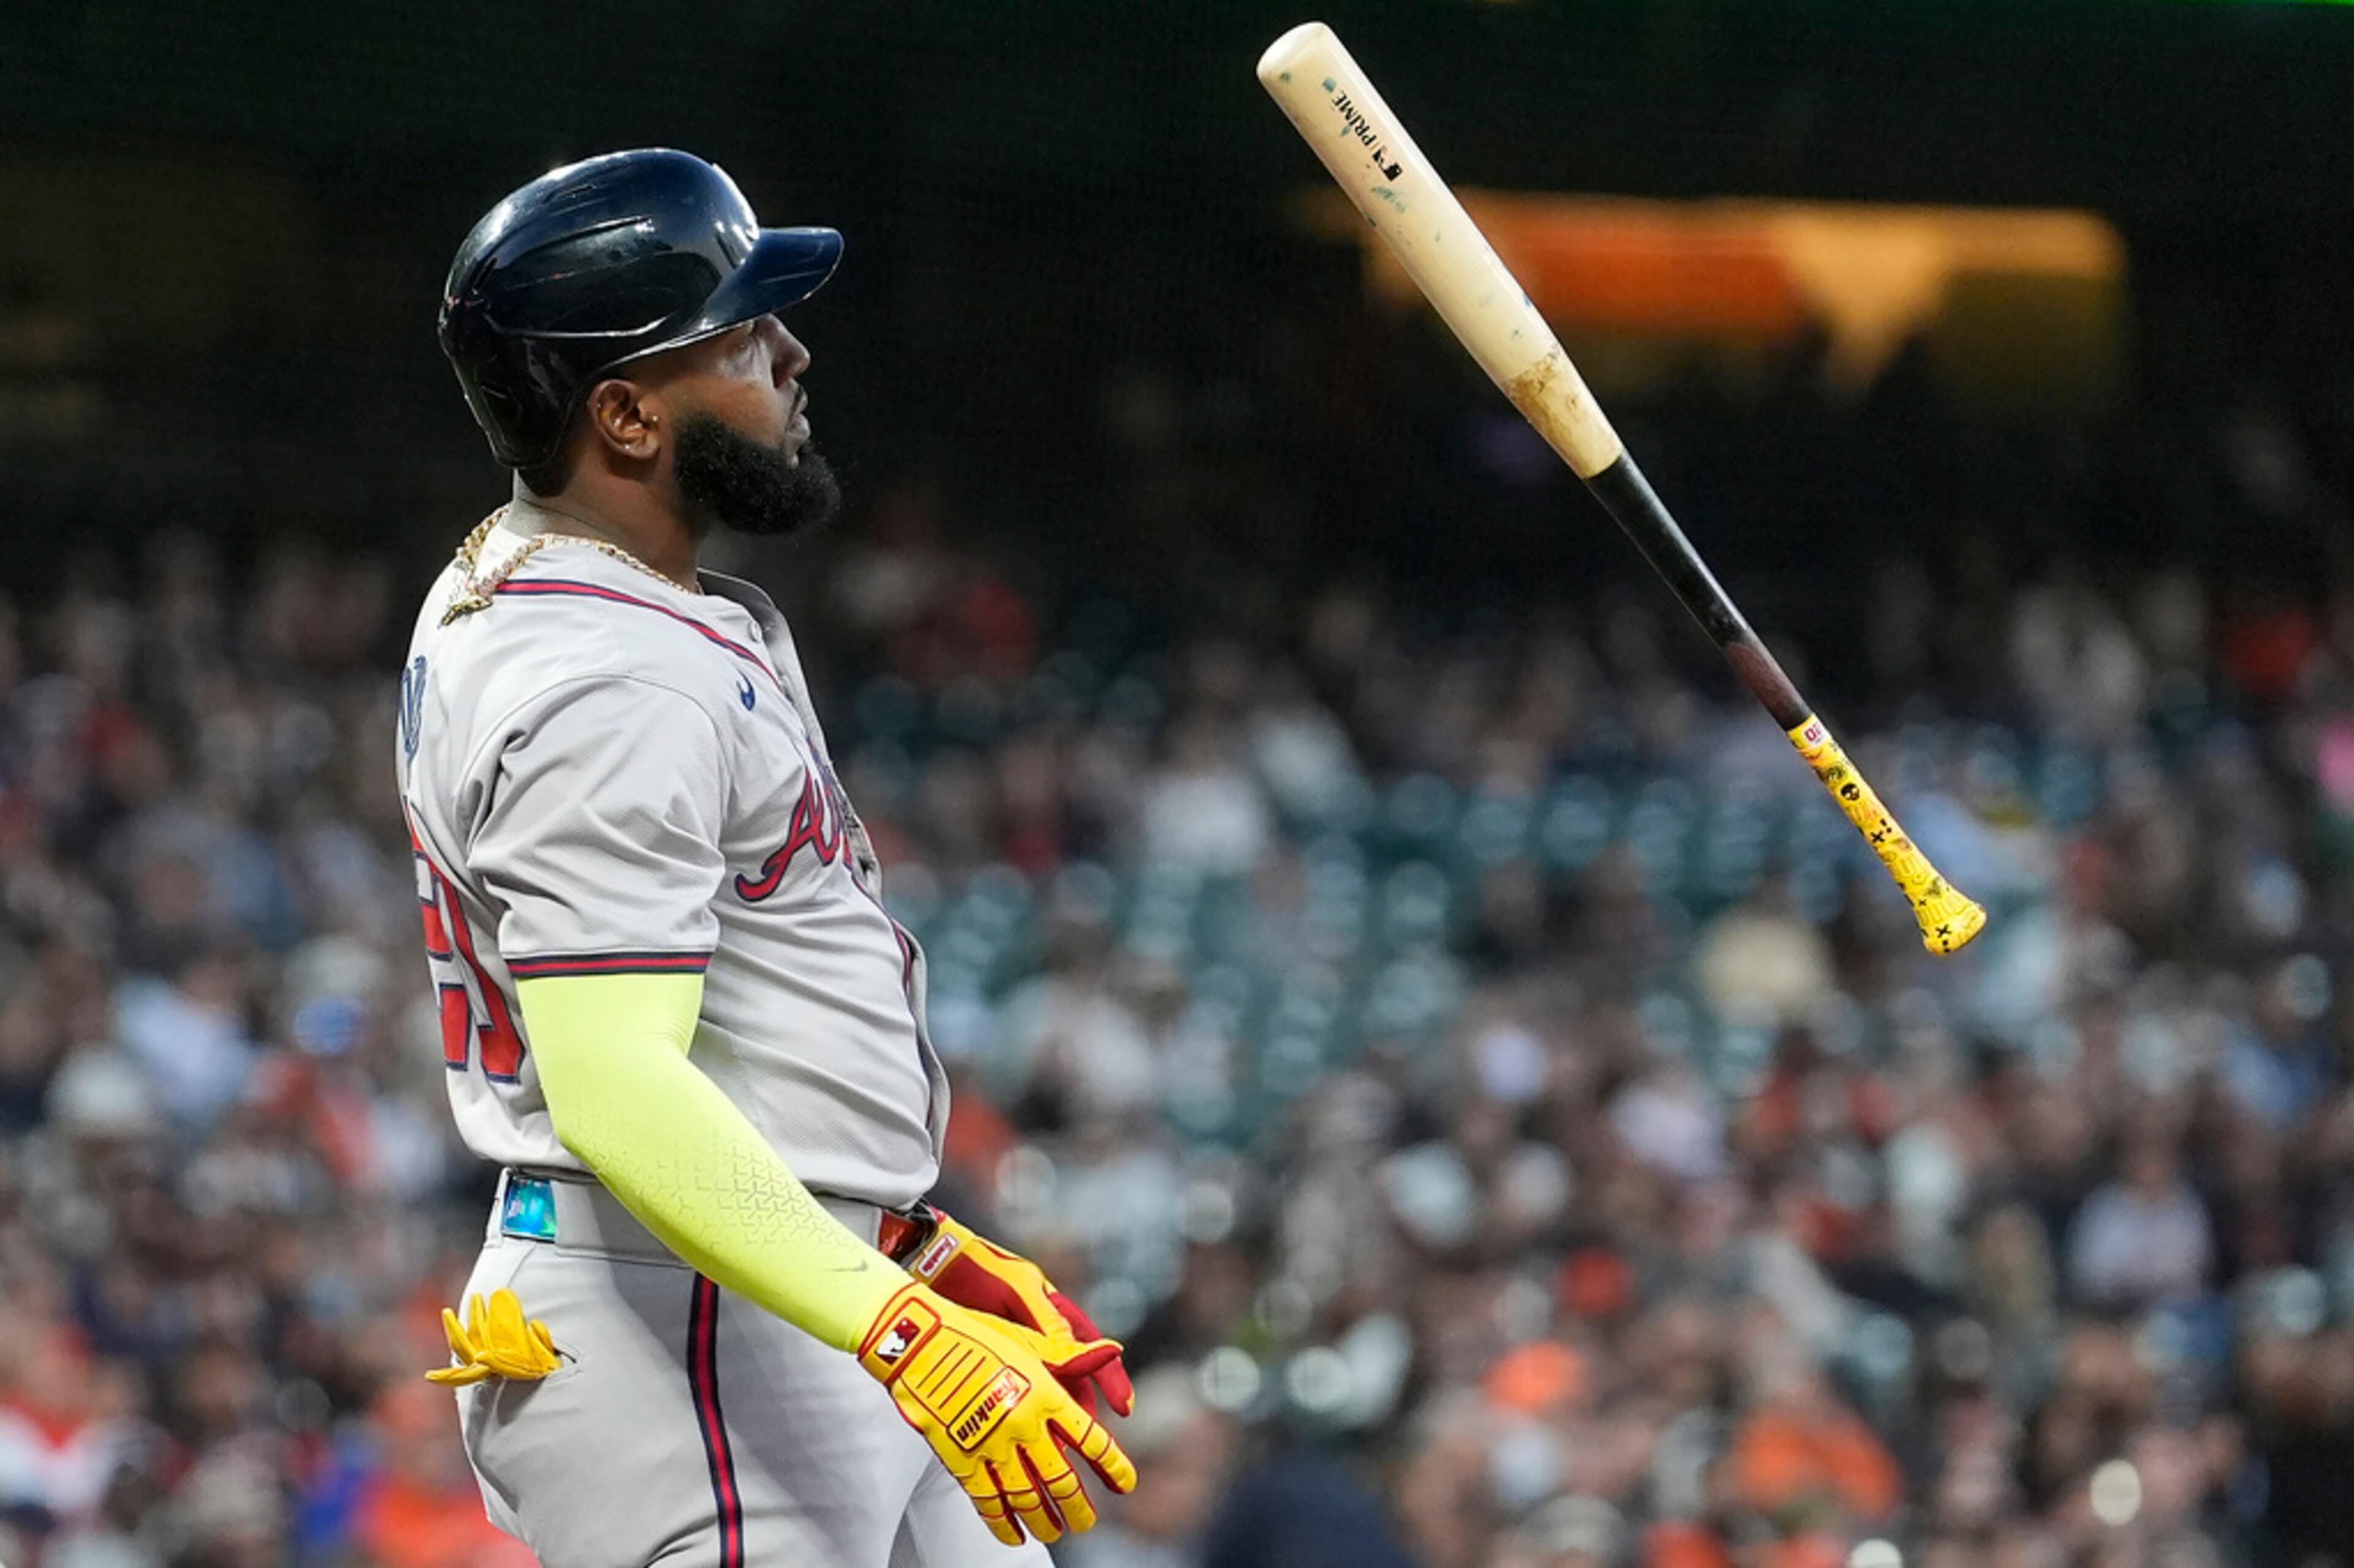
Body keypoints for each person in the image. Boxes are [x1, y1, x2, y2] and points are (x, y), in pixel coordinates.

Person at [400, 147, 1137, 1568]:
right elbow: (615, 1088)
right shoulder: (611, 682)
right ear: (623, 415)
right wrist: (892, 1316)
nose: (793, 353)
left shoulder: (576, 585)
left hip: (752, 1284)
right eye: (740, 334)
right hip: (678, 1328)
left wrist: (884, 1235)